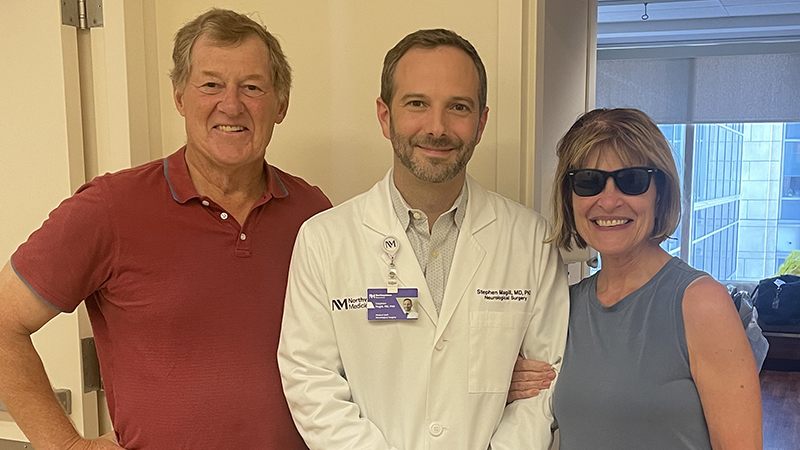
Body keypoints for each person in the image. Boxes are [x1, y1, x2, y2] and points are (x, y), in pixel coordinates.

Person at [0, 9, 330, 450]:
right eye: (210, 85)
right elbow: (4, 321)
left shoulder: (314, 213)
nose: (231, 105)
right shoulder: (110, 208)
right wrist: (67, 445)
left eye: (252, 87)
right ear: (179, 97)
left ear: (281, 104)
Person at [277, 28, 569, 449]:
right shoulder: (324, 240)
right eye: (417, 104)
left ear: (481, 123)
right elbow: (310, 380)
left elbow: (544, 386)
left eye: (458, 107)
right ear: (385, 116)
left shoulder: (530, 241)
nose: (437, 127)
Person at [546, 108, 762, 448]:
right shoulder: (563, 305)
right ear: (569, 197)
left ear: (660, 193)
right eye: (589, 181)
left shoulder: (702, 302)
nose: (609, 201)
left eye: (632, 180)